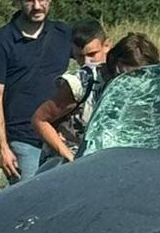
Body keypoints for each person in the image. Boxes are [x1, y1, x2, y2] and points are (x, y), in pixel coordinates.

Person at [0, 0, 72, 183]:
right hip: (23, 140)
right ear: (19, 0)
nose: (37, 6)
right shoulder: (2, 40)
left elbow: (93, 61)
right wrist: (2, 147)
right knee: (26, 205)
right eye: (30, 0)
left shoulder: (64, 34)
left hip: (60, 137)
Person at [32, 18, 111, 165]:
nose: (87, 62)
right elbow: (39, 119)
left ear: (107, 45)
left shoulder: (118, 76)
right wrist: (69, 157)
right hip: (67, 166)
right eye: (80, 56)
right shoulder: (77, 83)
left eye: (92, 54)